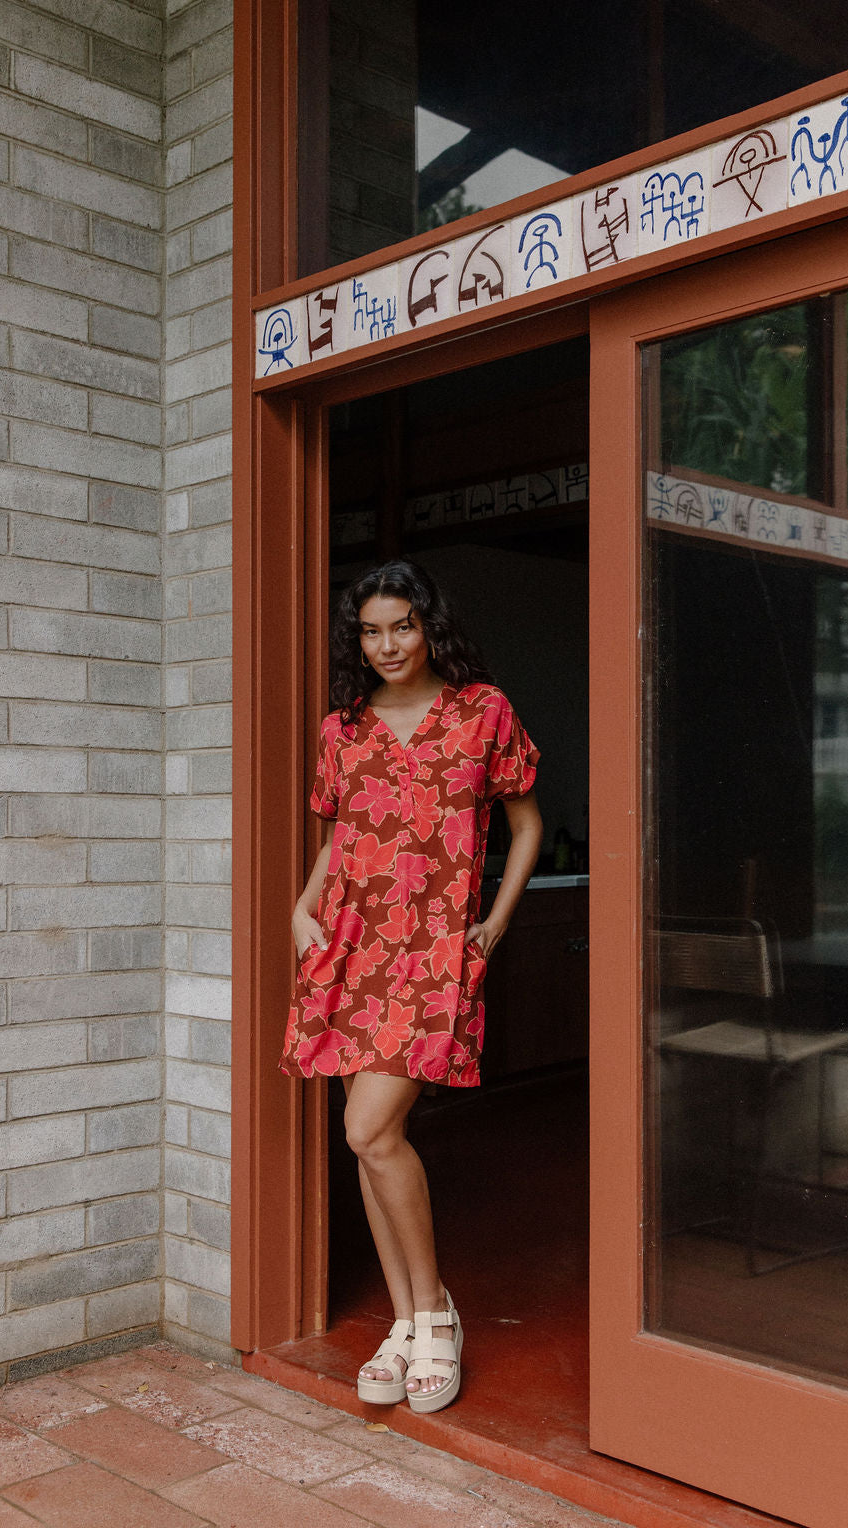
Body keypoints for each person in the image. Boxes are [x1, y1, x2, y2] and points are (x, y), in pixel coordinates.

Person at [282, 559, 542, 1414]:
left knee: (368, 1124)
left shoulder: (482, 712)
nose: (388, 645)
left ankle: (435, 1314)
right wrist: (302, 906)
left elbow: (525, 822)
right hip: (352, 945)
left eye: (403, 625)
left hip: (433, 950)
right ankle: (406, 1322)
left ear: (430, 627)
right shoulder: (343, 729)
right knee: (368, 1141)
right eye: (371, 630)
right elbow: (343, 836)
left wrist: (496, 923)